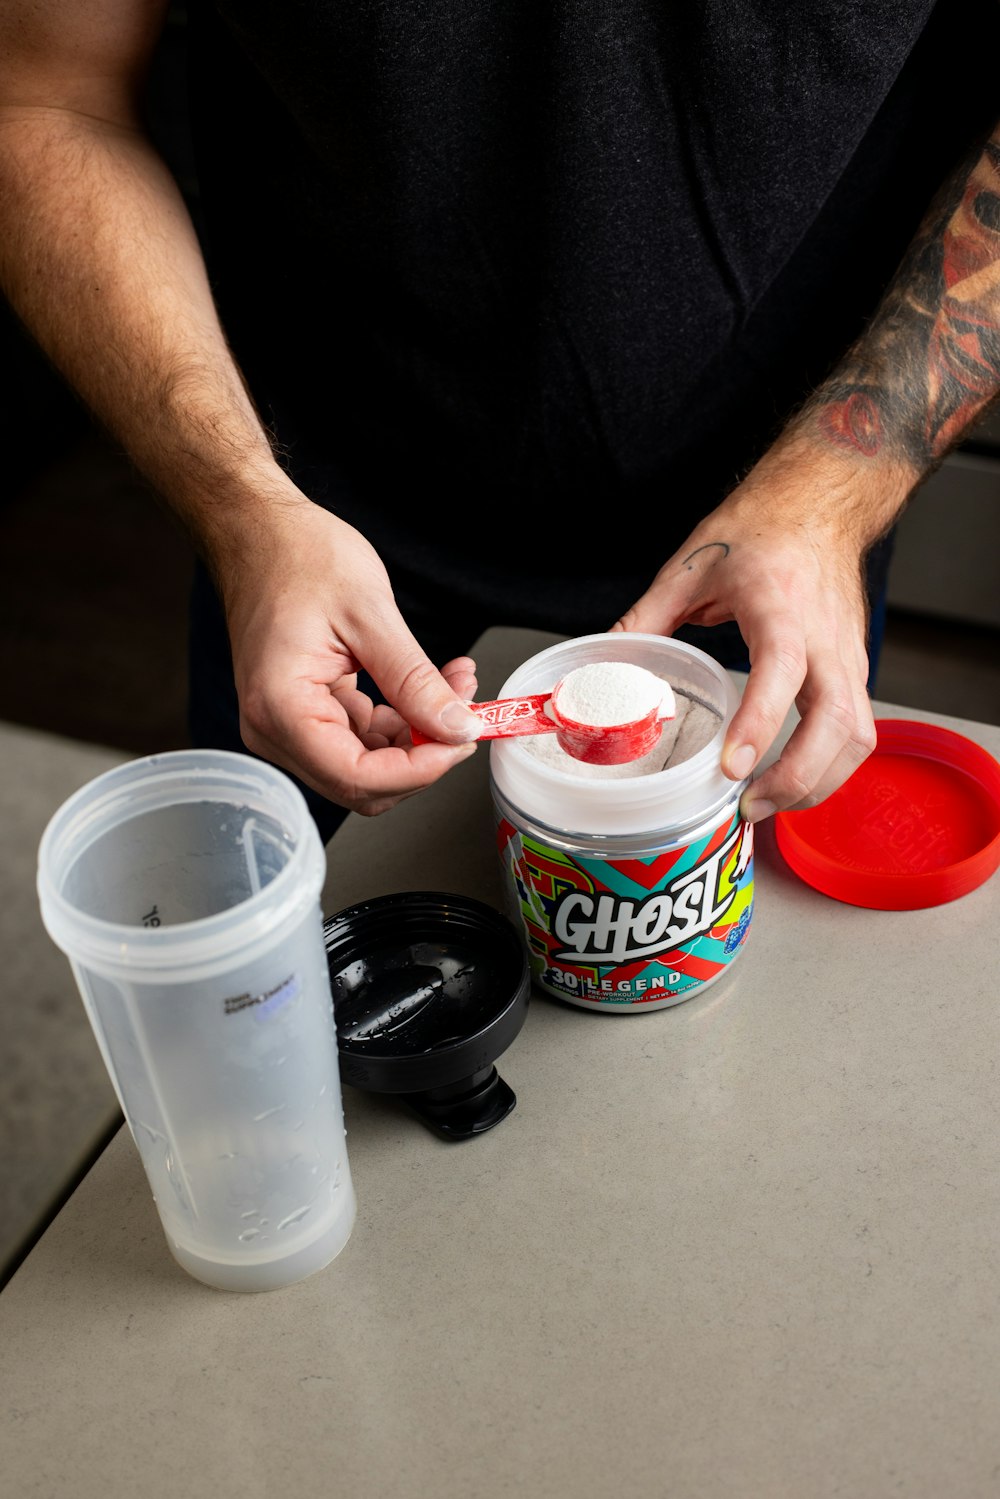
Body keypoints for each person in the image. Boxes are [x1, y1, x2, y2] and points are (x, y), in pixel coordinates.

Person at [2, 1, 1000, 845]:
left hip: (774, 573)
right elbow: (43, 93)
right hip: (306, 563)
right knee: (308, 1028)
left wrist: (830, 493)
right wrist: (241, 504)